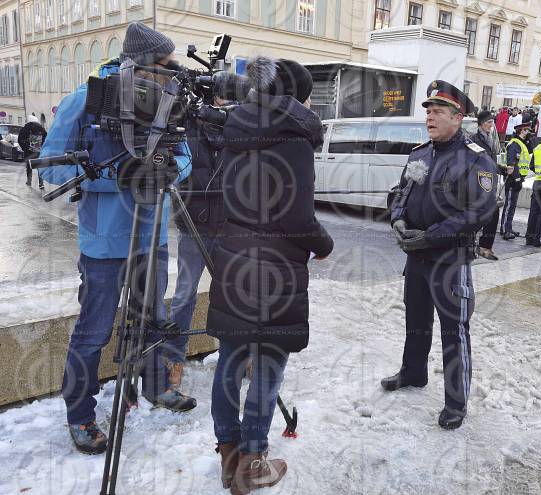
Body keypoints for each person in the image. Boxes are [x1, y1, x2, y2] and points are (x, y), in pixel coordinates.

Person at [38, 22, 197, 455]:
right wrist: (117, 178)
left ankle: (155, 385)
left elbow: (184, 159)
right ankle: (81, 415)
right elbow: (49, 167)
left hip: (154, 238)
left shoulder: (168, 101)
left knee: (153, 324)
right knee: (93, 332)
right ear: (142, 64)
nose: (172, 73)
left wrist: (165, 172)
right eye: (166, 65)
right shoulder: (84, 100)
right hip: (104, 245)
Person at [207, 56, 334, 494]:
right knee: (268, 362)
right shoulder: (294, 138)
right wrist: (323, 244)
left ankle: (228, 455)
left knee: (230, 356)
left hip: (234, 257)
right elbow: (297, 216)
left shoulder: (237, 130)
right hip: (275, 267)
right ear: (300, 97)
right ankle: (254, 460)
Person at [380, 80, 497, 430]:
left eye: (438, 111)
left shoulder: (475, 158)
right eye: (428, 111)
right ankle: (413, 373)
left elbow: (479, 211)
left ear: (457, 118)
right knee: (415, 322)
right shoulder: (420, 153)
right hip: (416, 258)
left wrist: (430, 236)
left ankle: (456, 403)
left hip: (450, 260)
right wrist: (398, 219)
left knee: (454, 331)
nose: (430, 116)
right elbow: (400, 192)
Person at [165, 73, 250, 391]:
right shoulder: (189, 124)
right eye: (230, 99)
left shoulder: (241, 130)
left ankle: (241, 359)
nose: (235, 106)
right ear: (214, 98)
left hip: (231, 228)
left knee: (236, 297)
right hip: (193, 226)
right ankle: (174, 361)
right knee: (184, 296)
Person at [471, 110, 504, 260]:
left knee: (493, 214)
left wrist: (502, 169)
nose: (492, 125)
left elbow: (490, 162)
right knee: (477, 216)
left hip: (490, 183)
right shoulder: (473, 139)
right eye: (489, 122)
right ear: (481, 123)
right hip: (478, 183)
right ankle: (469, 243)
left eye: (492, 122)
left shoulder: (490, 138)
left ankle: (485, 247)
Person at [500, 122, 533, 240]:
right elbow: (512, 163)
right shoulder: (514, 144)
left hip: (518, 178)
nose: (528, 132)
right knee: (509, 205)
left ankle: (508, 227)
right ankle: (504, 229)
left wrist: (529, 141)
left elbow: (528, 152)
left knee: (512, 205)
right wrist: (517, 179)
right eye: (527, 130)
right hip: (513, 178)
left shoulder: (521, 143)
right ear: (521, 131)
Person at [20, 114, 47, 189]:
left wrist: (25, 148)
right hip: (39, 152)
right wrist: (42, 147)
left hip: (29, 152)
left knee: (29, 167)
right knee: (40, 167)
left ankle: (29, 181)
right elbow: (46, 139)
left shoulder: (25, 129)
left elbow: (20, 140)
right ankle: (41, 183)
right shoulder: (42, 129)